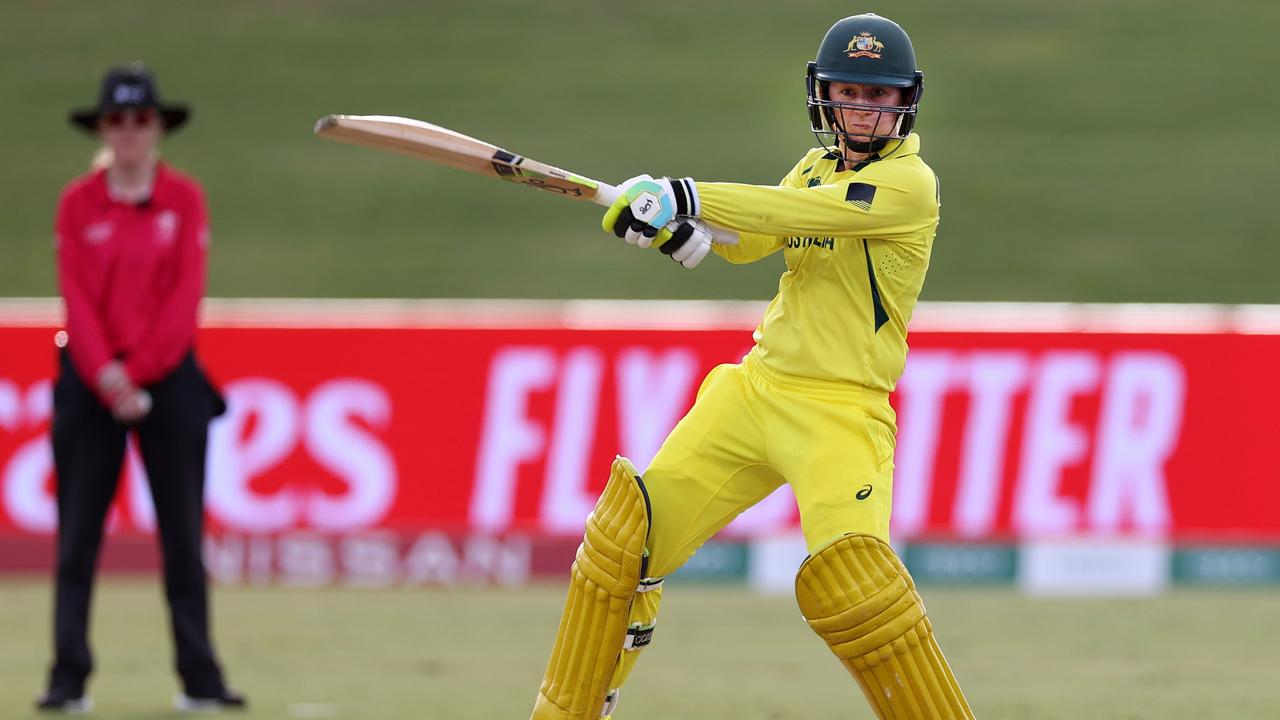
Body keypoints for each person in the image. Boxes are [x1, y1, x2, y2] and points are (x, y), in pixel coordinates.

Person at [528, 14, 974, 720]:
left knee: (863, 593)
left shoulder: (909, 186)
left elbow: (797, 211)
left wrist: (684, 195)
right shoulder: (815, 166)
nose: (862, 108)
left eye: (878, 95)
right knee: (625, 547)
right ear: (824, 93)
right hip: (756, 391)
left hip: (842, 411)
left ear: (904, 103)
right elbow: (754, 236)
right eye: (849, 91)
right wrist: (675, 231)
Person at [36, 64, 245, 714]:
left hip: (170, 378)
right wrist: (107, 375)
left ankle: (200, 679)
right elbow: (77, 298)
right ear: (103, 128)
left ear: (158, 127)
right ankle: (68, 678)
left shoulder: (184, 199)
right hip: (91, 381)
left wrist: (144, 373)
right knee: (77, 538)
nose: (129, 132)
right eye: (117, 120)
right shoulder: (78, 202)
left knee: (183, 535)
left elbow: (184, 300)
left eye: (141, 119)